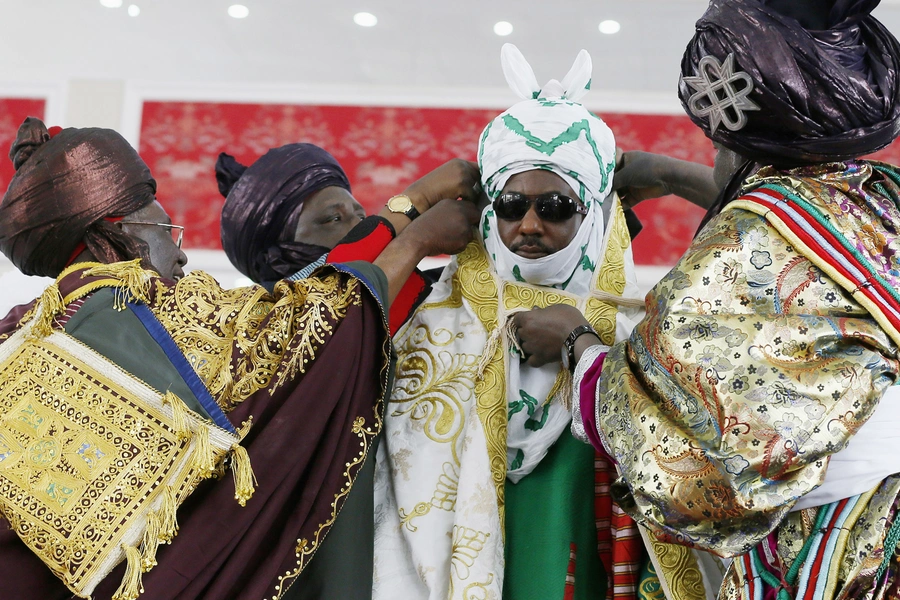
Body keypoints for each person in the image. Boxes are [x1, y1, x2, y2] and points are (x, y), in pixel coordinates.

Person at [0, 117, 477, 600]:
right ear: (122, 230)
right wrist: (414, 226)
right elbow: (309, 334)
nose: (183, 257)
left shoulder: (15, 339)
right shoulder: (139, 308)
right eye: (169, 229)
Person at [518, 1, 900, 597]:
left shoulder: (744, 243)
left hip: (830, 545)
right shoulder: (882, 199)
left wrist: (578, 343)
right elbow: (787, 225)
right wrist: (674, 177)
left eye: (716, 143)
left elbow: (686, 444)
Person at [373, 44, 653, 600]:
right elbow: (323, 318)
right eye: (508, 206)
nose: (528, 225)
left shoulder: (633, 326)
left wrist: (583, 344)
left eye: (554, 208)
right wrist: (412, 215)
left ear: (592, 212)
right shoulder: (435, 316)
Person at [216, 145, 483, 334]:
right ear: (276, 258)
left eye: (362, 215)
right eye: (333, 219)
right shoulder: (262, 329)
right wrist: (417, 206)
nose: (362, 227)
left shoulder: (430, 291)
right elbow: (334, 317)